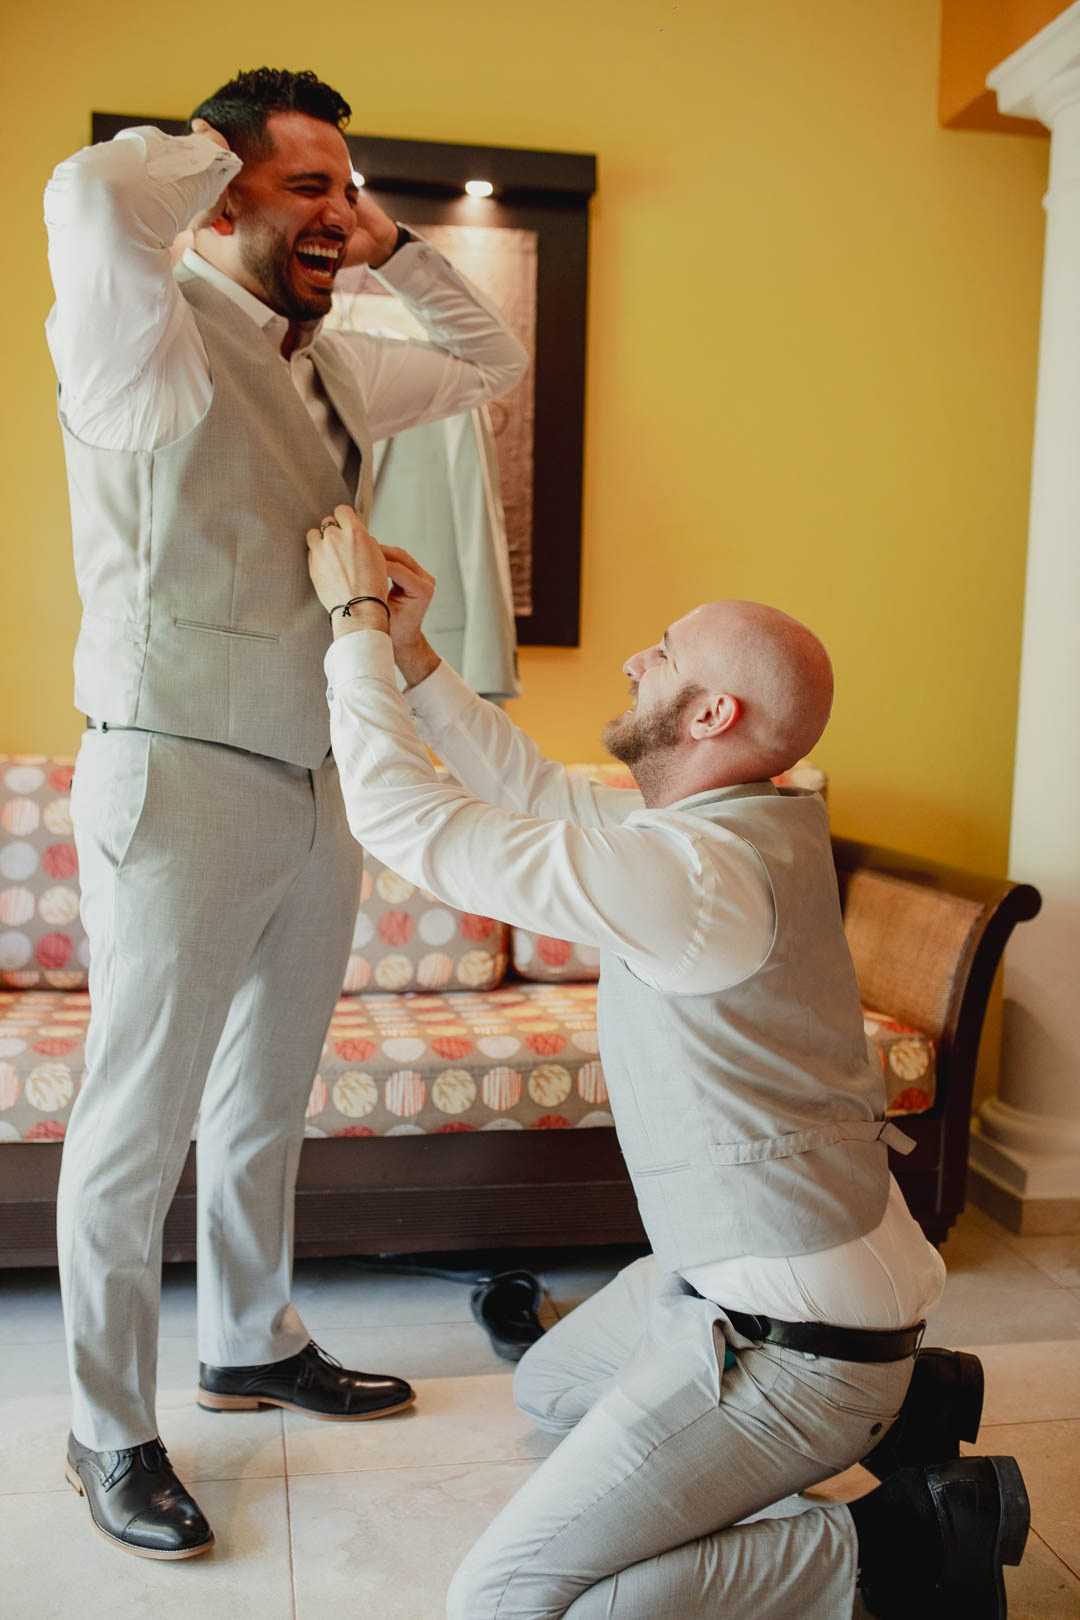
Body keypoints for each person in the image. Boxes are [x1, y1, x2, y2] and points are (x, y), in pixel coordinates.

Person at [302, 504, 1031, 1620]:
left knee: (506, 1600)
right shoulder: (736, 824)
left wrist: (353, 623)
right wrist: (413, 659)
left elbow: (414, 826)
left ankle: (905, 1539)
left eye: (663, 651)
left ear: (710, 713)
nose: (637, 660)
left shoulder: (694, 879)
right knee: (550, 1390)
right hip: (747, 1285)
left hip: (801, 1349)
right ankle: (913, 1407)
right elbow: (536, 792)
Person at [45, 67, 528, 1560]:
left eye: (349, 185)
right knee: (138, 1118)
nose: (339, 210)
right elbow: (89, 194)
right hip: (177, 767)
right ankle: (105, 1426)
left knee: (266, 1096)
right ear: (220, 195)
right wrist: (218, 145)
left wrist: (390, 245)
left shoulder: (344, 366)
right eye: (308, 184)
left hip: (320, 773)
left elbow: (490, 358)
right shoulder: (143, 332)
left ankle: (250, 1341)